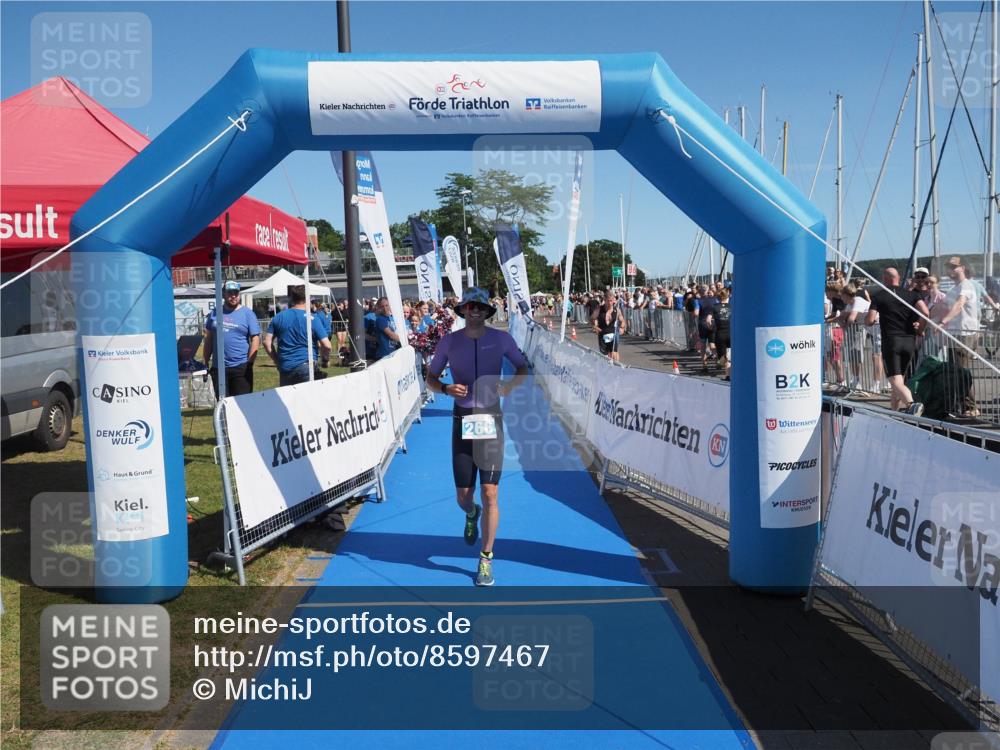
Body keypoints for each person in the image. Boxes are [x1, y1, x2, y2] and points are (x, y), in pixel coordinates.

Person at [426, 288, 529, 587]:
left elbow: (523, 367)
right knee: (465, 497)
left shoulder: (501, 339)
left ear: (486, 312)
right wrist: (445, 389)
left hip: (491, 419)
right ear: (462, 310)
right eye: (469, 306)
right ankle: (472, 514)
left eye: (480, 307)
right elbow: (430, 379)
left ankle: (486, 558)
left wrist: (509, 387)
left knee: (491, 492)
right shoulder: (450, 341)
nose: (474, 311)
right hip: (462, 420)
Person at [865, 268, 928, 413]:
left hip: (891, 341)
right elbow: (925, 312)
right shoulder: (912, 295)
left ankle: (911, 404)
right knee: (900, 379)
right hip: (909, 341)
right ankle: (894, 411)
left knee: (894, 379)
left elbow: (869, 320)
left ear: (884, 278)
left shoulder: (879, 296)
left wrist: (870, 321)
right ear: (898, 278)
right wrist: (921, 329)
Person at [934, 256, 981, 417]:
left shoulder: (966, 286)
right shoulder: (954, 289)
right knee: (955, 372)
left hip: (965, 333)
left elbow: (959, 304)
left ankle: (971, 407)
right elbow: (940, 306)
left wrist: (943, 321)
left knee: (961, 372)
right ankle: (960, 405)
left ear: (962, 268)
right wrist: (921, 319)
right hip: (955, 334)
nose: (950, 270)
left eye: (954, 267)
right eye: (949, 267)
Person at [264, 285, 333, 386]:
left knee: (288, 401)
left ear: (292, 299)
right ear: (307, 299)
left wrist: (276, 361)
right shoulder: (312, 318)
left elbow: (267, 342)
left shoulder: (278, 317)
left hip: (285, 367)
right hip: (306, 367)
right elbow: (327, 345)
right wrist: (325, 359)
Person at [204, 280, 260, 397]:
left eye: (236, 293)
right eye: (230, 293)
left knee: (243, 404)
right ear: (224, 294)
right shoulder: (215, 313)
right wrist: (205, 361)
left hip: (241, 367)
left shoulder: (248, 314)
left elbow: (255, 339)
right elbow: (209, 338)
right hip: (218, 368)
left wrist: (249, 363)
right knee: (223, 403)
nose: (233, 296)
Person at [704, 288, 732, 380]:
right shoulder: (732, 306)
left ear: (718, 297)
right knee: (734, 354)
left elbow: (708, 320)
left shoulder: (714, 306)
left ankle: (728, 375)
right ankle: (731, 371)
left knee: (722, 357)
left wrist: (711, 327)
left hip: (720, 333)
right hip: (732, 332)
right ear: (728, 296)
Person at [591, 289, 625, 361]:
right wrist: (594, 326)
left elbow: (622, 321)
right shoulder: (599, 310)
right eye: (608, 301)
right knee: (605, 356)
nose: (610, 303)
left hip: (614, 333)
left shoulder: (617, 310)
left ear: (613, 300)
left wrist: (622, 328)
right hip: (602, 334)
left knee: (614, 352)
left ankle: (616, 369)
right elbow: (592, 318)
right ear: (604, 300)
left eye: (611, 301)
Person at [374, 296, 401, 360]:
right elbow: (391, 335)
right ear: (379, 308)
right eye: (382, 306)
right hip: (385, 354)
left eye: (386, 305)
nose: (385, 308)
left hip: (394, 351)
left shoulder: (392, 318)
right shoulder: (380, 319)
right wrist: (405, 340)